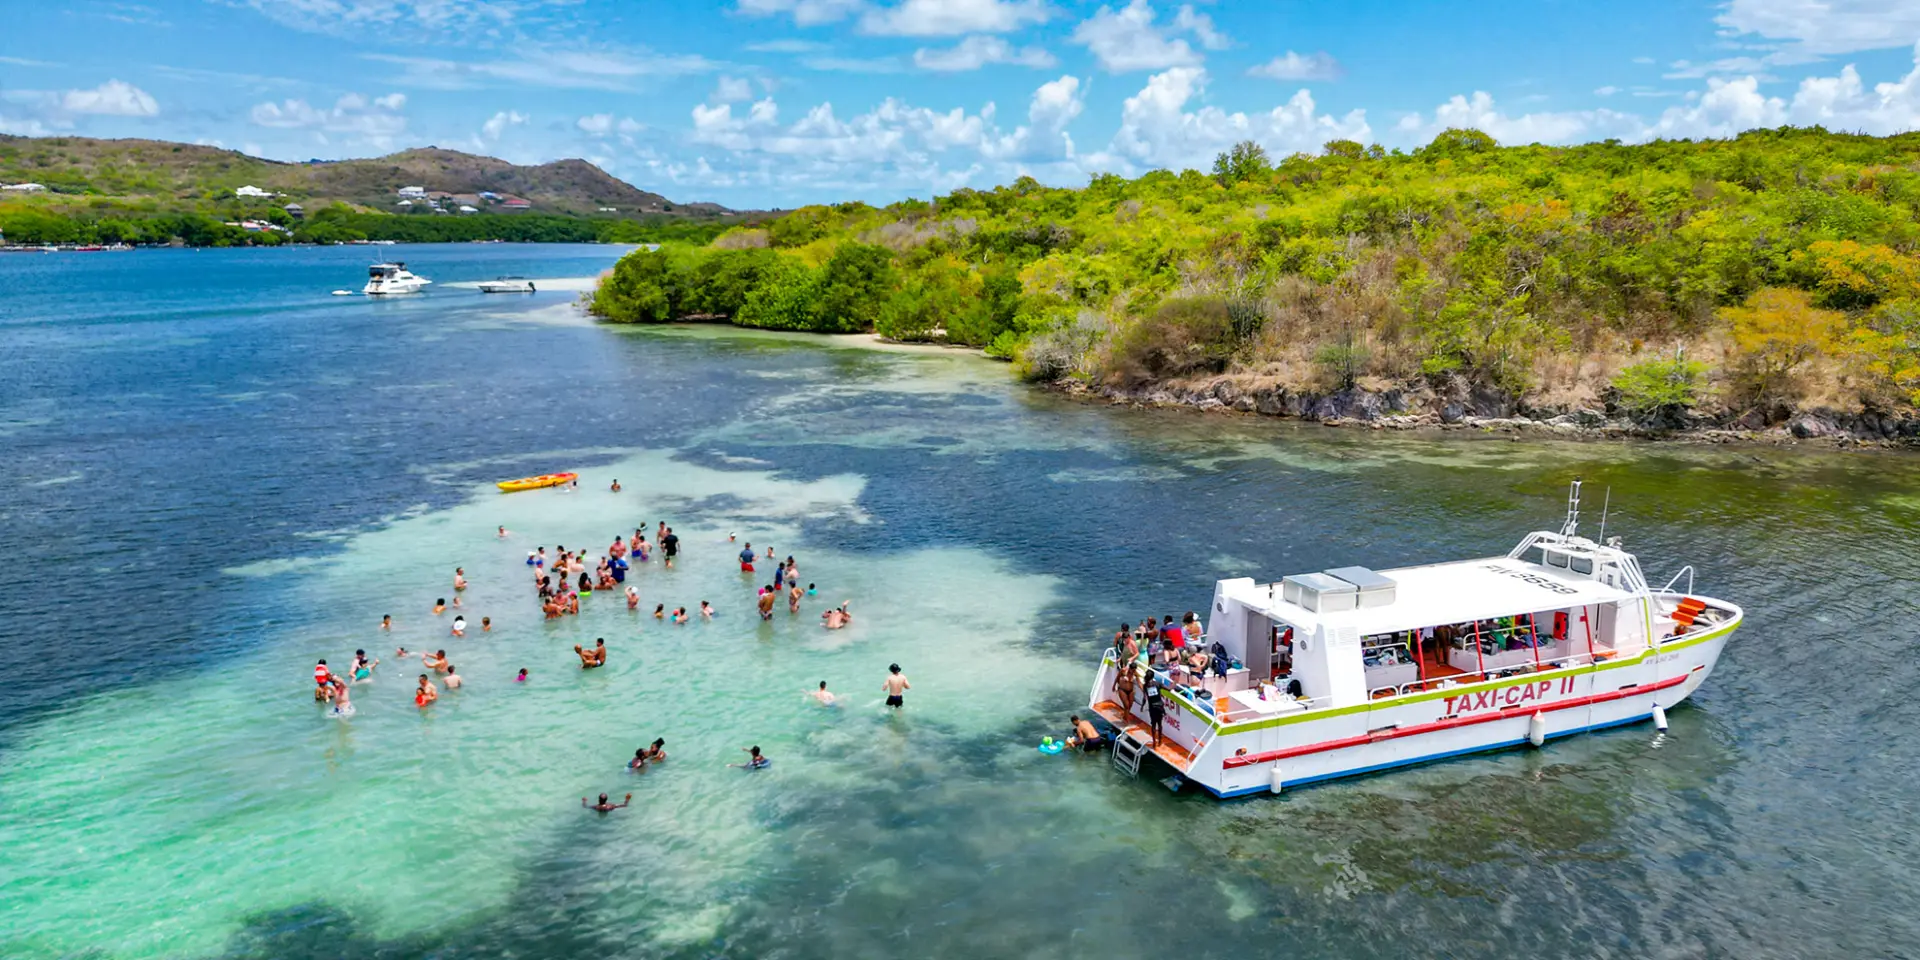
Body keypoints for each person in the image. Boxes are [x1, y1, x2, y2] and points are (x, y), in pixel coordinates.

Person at [1144, 673, 1166, 746]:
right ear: (1153, 677)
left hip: (1152, 707)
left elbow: (1145, 698)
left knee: (1153, 725)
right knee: (1159, 724)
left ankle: (1154, 742)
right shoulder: (1157, 684)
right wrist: (1174, 683)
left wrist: (1142, 706)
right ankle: (1160, 741)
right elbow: (1169, 688)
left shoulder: (1145, 685)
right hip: (1159, 706)